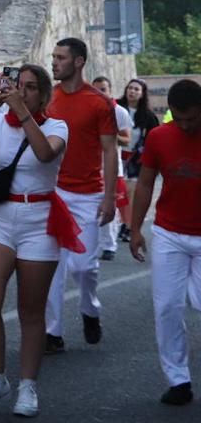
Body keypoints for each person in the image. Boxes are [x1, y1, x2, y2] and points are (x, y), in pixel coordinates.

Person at [0, 65, 73, 416]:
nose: (19, 92)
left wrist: (22, 111)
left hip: (39, 219)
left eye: (29, 87)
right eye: (16, 86)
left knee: (30, 309)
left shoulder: (57, 127)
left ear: (43, 94)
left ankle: (28, 385)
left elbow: (45, 153)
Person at [128, 79, 201, 406]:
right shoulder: (159, 137)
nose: (185, 125)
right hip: (169, 232)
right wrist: (135, 228)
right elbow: (144, 185)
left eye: (193, 119)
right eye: (179, 118)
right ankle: (178, 380)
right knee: (168, 307)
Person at [44, 38, 118, 354]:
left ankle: (90, 311)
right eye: (53, 57)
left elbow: (110, 150)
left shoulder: (100, 102)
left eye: (60, 58)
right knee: (52, 265)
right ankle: (52, 333)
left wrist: (111, 197)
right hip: (53, 192)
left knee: (84, 267)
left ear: (79, 62)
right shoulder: (49, 99)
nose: (54, 62)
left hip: (89, 194)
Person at [92, 77, 132, 261]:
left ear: (110, 90)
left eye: (103, 89)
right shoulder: (87, 110)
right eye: (96, 90)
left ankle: (109, 245)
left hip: (112, 167)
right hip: (89, 167)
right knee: (90, 207)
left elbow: (126, 140)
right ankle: (92, 244)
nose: (100, 93)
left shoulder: (119, 112)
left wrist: (108, 135)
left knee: (110, 207)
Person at [117, 79, 159, 242]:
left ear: (142, 94)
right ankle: (121, 222)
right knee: (120, 192)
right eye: (130, 88)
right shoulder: (118, 109)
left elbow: (153, 139)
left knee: (131, 192)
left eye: (136, 89)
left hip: (136, 159)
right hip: (118, 154)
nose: (132, 91)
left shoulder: (148, 116)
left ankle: (129, 227)